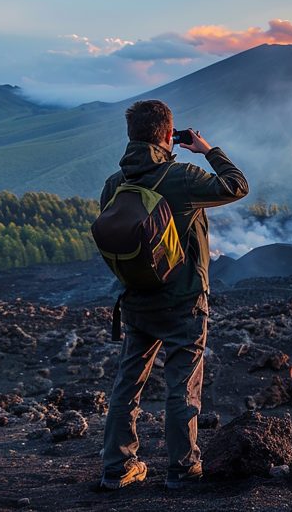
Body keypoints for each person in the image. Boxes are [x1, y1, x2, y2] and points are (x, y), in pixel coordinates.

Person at [99, 100, 248, 490]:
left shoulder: (115, 185)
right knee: (181, 386)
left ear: (131, 136)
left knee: (127, 385)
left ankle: (117, 468)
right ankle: (182, 469)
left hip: (136, 299)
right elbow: (237, 186)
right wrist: (208, 150)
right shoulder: (180, 177)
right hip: (183, 302)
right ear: (169, 136)